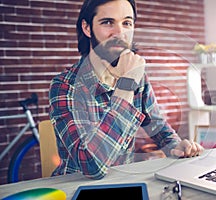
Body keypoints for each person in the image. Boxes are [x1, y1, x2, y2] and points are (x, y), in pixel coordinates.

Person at [49, 0, 203, 180]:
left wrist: (177, 146)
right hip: (77, 187)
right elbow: (92, 166)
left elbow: (160, 130)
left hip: (126, 181)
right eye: (107, 22)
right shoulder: (65, 86)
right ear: (87, 28)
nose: (119, 33)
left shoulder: (138, 78)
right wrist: (126, 86)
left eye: (127, 23)